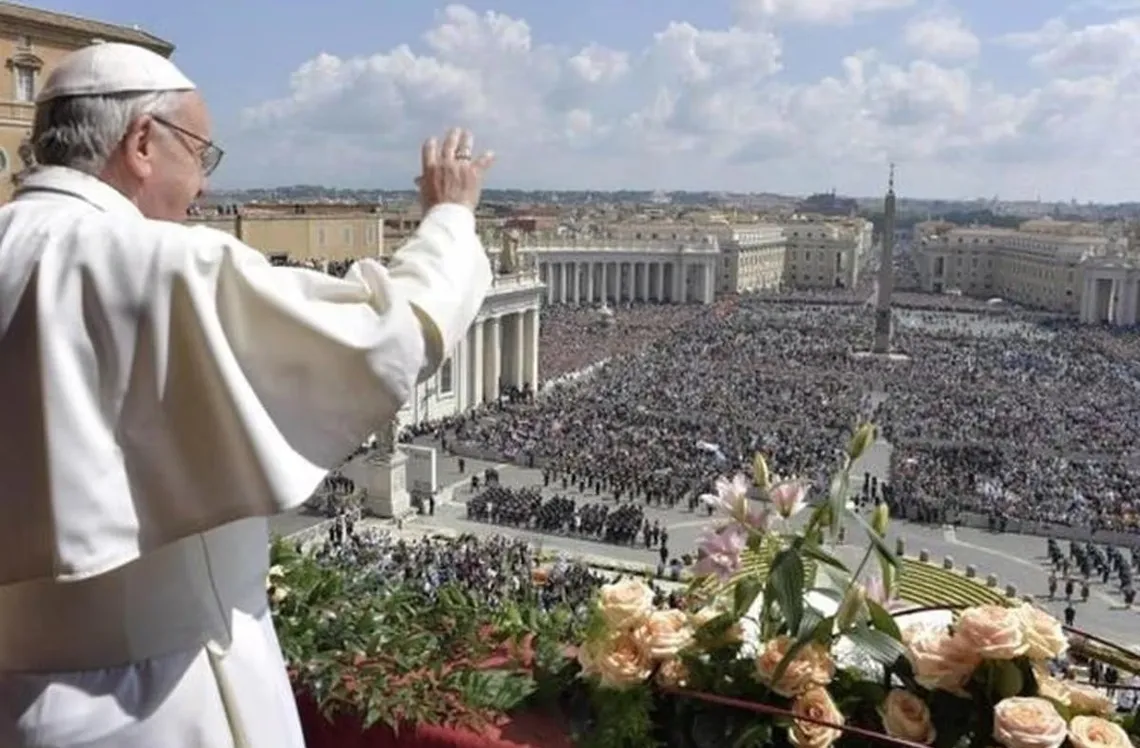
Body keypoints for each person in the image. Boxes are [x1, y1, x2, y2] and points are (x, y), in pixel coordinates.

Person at [0, 42, 494, 748]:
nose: (202, 187)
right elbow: (383, 337)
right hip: (160, 707)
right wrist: (449, 219)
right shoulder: (160, 262)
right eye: (202, 154)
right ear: (142, 142)